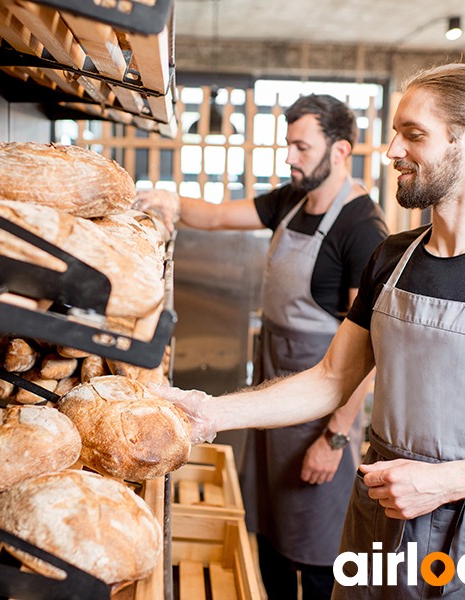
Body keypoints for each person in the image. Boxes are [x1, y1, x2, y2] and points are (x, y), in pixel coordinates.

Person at [150, 63, 465, 600]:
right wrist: (213, 412)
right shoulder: (392, 257)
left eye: (413, 135)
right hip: (376, 523)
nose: (390, 151)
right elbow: (332, 378)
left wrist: (443, 483)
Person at [136, 94, 388, 600]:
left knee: (316, 550)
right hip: (274, 391)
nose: (290, 157)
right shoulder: (291, 200)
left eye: (301, 146)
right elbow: (216, 217)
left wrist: (334, 439)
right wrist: (170, 203)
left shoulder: (363, 228)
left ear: (340, 150)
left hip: (321, 410)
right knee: (270, 534)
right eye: (288, 144)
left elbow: (369, 355)